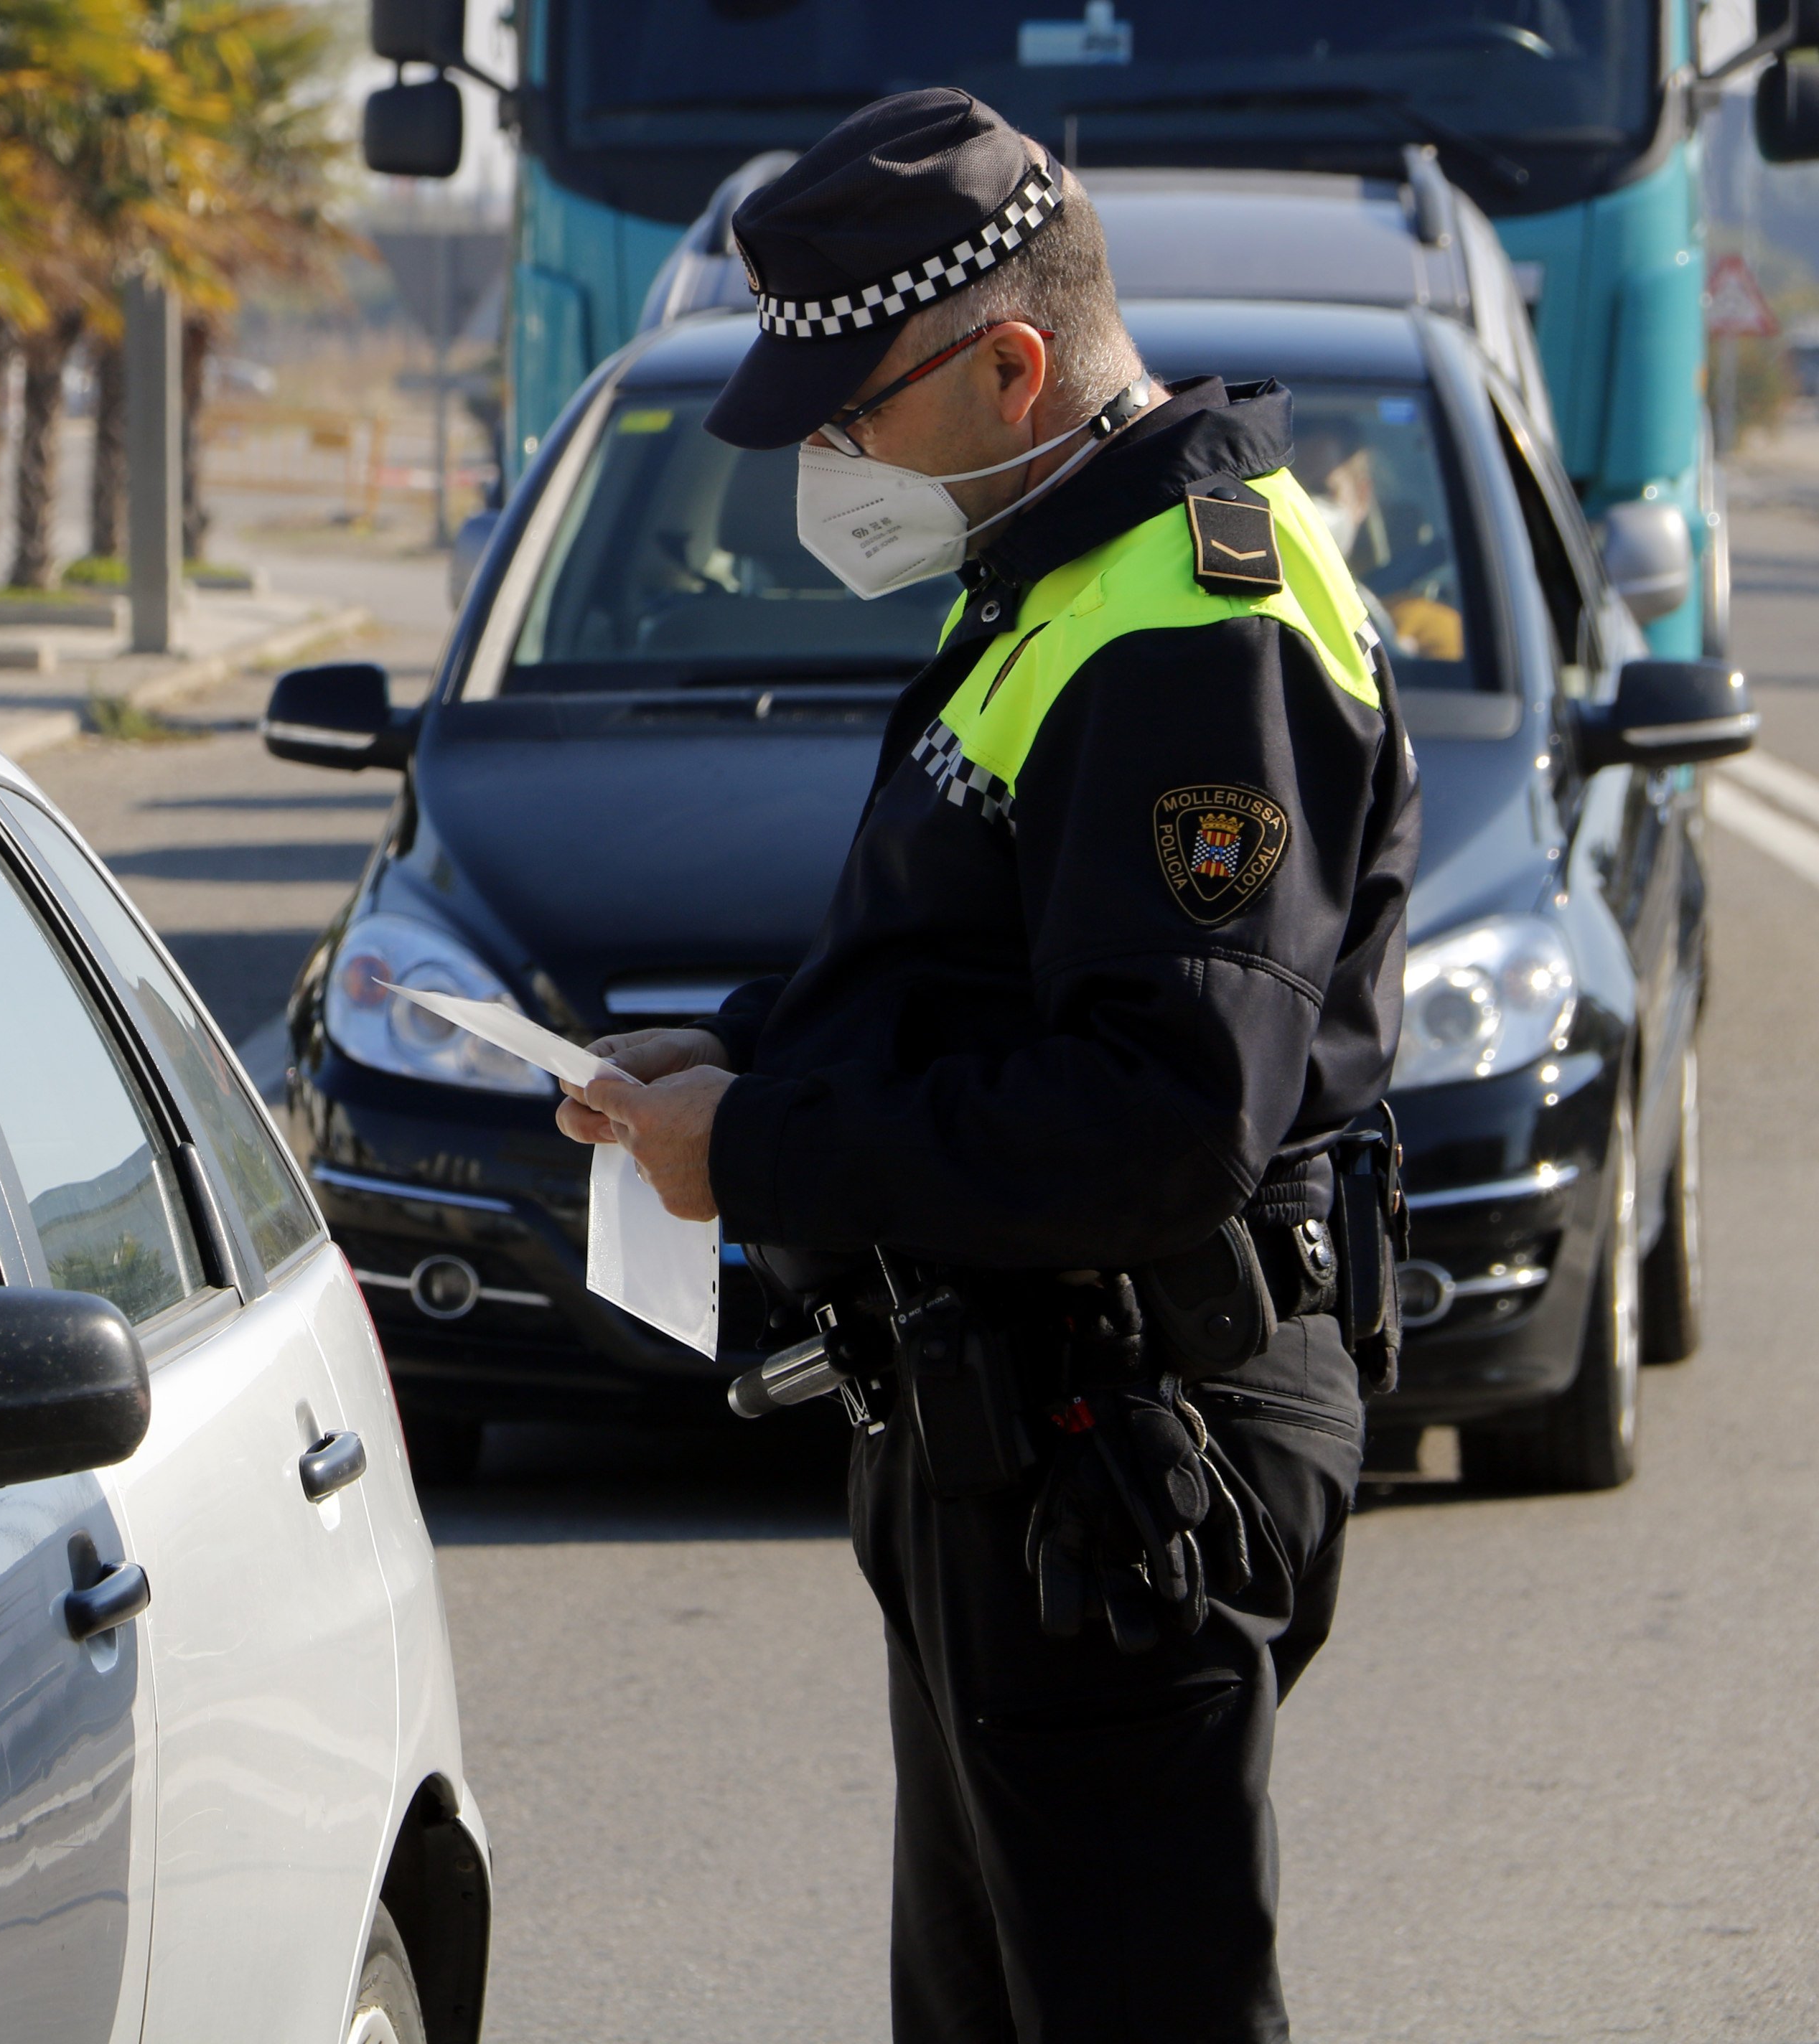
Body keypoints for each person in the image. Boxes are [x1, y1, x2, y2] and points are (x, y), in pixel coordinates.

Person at [555, 91, 1421, 2041]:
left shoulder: (1194, 625)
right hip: (1022, 1426)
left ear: (1012, 362)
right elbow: (982, 965)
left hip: (1131, 1439)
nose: (834, 461)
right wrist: (747, 1054)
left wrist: (763, 1149)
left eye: (851, 416)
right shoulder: (1050, 560)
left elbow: (1160, 1113)